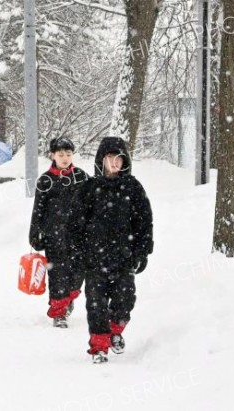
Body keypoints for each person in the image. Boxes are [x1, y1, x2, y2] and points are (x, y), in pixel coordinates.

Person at [68, 137, 153, 363]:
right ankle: (99, 347)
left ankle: (115, 331)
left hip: (124, 258)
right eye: (110, 158)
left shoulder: (133, 188)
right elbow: (75, 224)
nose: (115, 163)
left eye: (119, 158)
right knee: (95, 305)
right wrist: (77, 253)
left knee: (125, 300)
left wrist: (142, 251)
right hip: (94, 259)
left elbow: (144, 222)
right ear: (102, 160)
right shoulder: (89, 188)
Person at [29, 137, 89, 328]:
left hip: (79, 236)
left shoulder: (82, 177)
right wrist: (35, 233)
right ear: (52, 155)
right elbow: (37, 209)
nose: (65, 158)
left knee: (78, 274)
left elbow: (92, 205)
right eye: (61, 154)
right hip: (54, 237)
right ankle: (59, 312)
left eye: (68, 154)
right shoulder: (46, 180)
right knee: (58, 275)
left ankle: (68, 298)